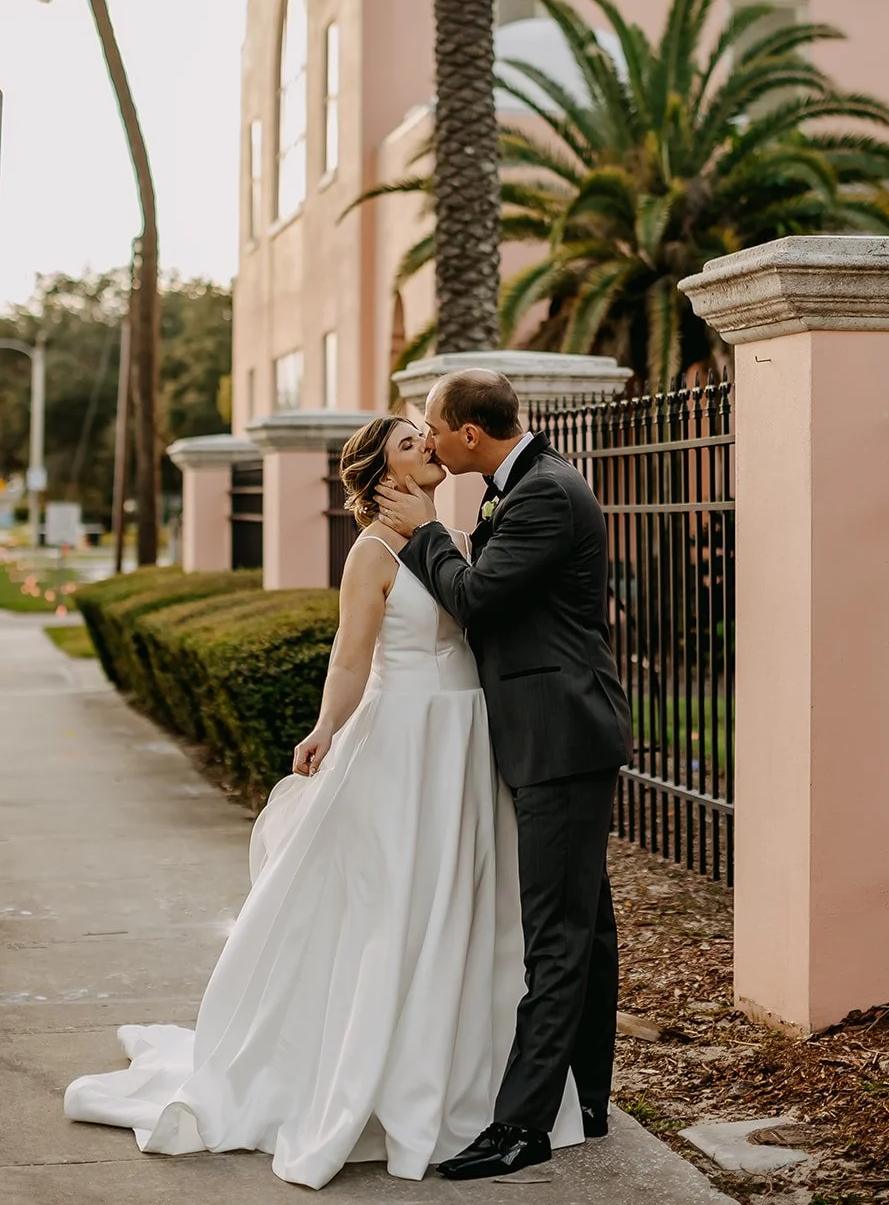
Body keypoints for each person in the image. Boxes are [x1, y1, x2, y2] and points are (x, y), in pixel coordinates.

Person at [63, 416, 583, 1189]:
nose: (430, 448)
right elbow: (350, 657)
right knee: (397, 905)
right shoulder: (372, 552)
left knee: (472, 905)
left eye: (427, 438)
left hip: (467, 740)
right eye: (411, 444)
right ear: (379, 476)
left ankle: (468, 1079)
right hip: (404, 743)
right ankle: (372, 1075)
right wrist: (324, 727)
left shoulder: (458, 535)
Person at [377, 368, 634, 1182]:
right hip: (555, 731)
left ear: (470, 434)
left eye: (433, 427)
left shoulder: (545, 493)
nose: (428, 438)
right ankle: (585, 1099)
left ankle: (522, 1125)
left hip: (558, 736)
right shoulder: (515, 483)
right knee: (584, 927)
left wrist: (424, 533)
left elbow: (480, 598)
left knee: (555, 934)